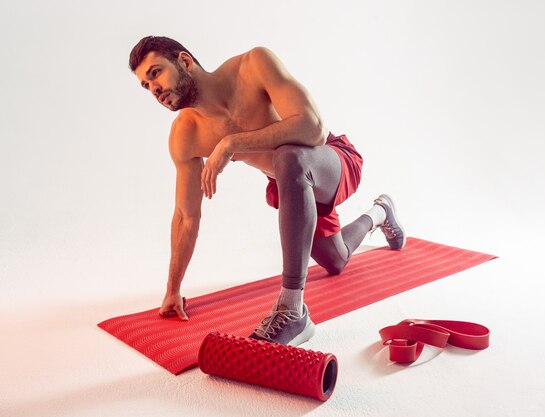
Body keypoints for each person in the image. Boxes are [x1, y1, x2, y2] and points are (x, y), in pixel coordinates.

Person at [129, 36, 406, 345]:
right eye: (145, 85)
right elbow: (185, 216)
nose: (153, 88)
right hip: (292, 186)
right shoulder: (186, 135)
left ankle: (292, 310)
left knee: (288, 157)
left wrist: (232, 142)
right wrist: (172, 290)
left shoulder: (253, 65)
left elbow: (312, 127)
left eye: (155, 73)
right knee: (335, 260)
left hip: (330, 159)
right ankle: (381, 212)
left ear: (184, 61)